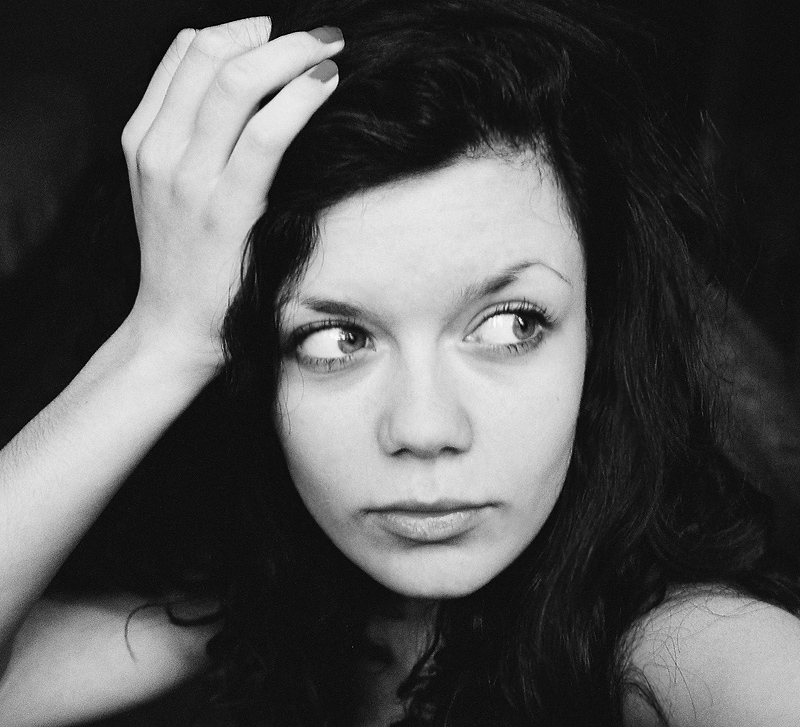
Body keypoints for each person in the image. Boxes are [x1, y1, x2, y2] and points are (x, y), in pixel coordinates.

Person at [1, 0, 800, 724]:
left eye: (511, 324)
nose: (424, 428)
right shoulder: (258, 614)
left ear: (599, 333)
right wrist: (163, 340)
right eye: (336, 340)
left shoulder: (685, 646)